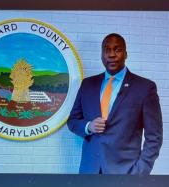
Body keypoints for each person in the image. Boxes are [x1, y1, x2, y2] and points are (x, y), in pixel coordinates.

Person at [67, 33, 163, 175]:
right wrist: (89, 126)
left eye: (117, 50)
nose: (111, 54)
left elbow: (154, 137)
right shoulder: (87, 84)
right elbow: (73, 121)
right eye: (107, 50)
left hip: (126, 173)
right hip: (89, 172)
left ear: (126, 54)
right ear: (101, 55)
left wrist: (139, 172)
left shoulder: (145, 88)